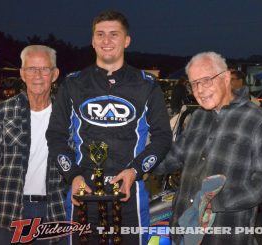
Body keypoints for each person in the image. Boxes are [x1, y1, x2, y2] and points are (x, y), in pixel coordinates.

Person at [46, 10, 172, 244]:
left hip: (129, 193)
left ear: (126, 40)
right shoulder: (73, 84)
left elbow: (163, 137)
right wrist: (72, 175)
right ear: (93, 41)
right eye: (100, 34)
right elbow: (55, 135)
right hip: (82, 191)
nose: (106, 41)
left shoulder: (147, 85)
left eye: (114, 34)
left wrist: (135, 170)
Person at [156, 51, 262, 244]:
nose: (199, 90)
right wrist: (137, 163)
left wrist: (215, 203)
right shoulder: (197, 117)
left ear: (226, 77)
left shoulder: (258, 120)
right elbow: (173, 157)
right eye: (194, 83)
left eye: (206, 80)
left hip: (224, 235)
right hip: (183, 230)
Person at [0, 45, 67, 244]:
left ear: (54, 74)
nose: (37, 75)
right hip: (9, 210)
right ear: (22, 73)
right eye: (31, 69)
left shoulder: (66, 116)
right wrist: (5, 192)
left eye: (44, 69)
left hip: (53, 210)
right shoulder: (2, 112)